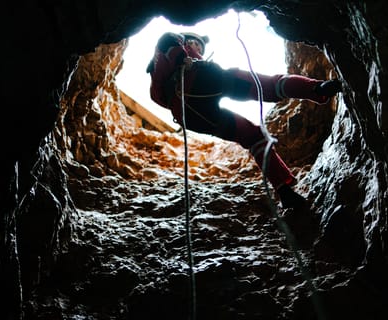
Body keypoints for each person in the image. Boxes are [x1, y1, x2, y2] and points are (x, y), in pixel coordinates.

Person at [146, 31, 342, 208]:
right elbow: (168, 40)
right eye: (196, 44)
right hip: (204, 80)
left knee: (252, 135)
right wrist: (182, 57)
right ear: (187, 41)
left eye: (200, 47)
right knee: (264, 85)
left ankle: (284, 192)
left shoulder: (160, 73)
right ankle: (315, 88)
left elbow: (157, 96)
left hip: (192, 116)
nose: (198, 48)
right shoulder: (174, 49)